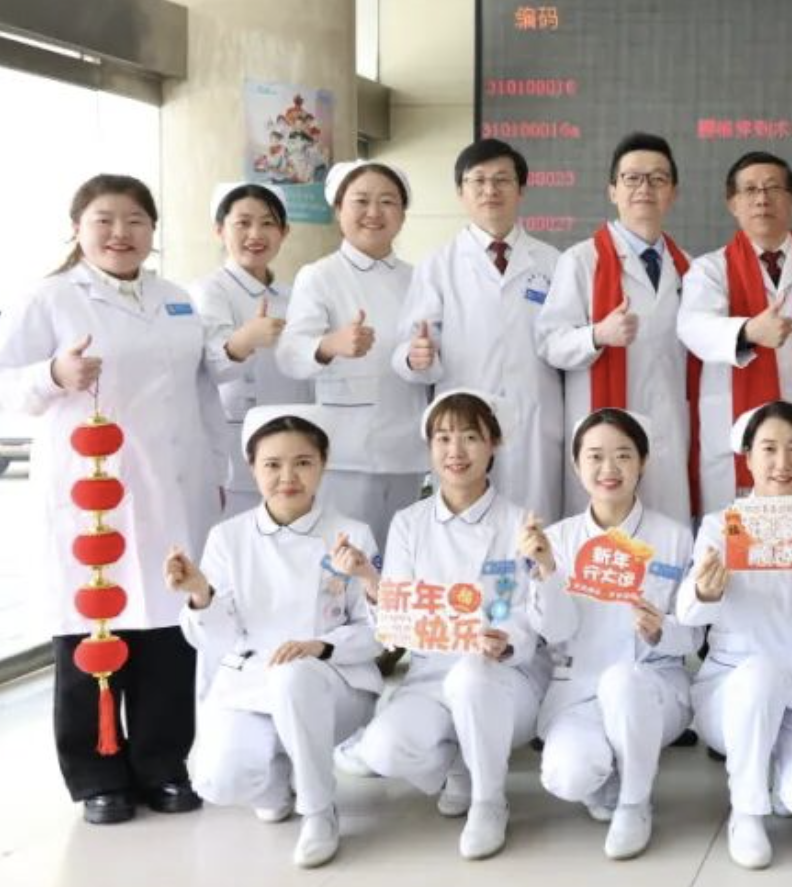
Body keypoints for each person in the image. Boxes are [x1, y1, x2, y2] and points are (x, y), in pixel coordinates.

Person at [0, 174, 223, 824]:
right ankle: (97, 775)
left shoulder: (176, 300)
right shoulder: (49, 299)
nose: (120, 233)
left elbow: (202, 392)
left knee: (169, 631)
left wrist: (218, 468)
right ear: (77, 229)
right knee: (91, 627)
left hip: (174, 491)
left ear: (153, 231)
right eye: (104, 220)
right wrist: (53, 374)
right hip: (92, 500)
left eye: (135, 220)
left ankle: (164, 764)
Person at [165, 407, 381, 868]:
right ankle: (277, 781)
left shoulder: (352, 535)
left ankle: (319, 811)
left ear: (323, 463)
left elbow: (377, 631)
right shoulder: (228, 538)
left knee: (294, 676)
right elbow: (215, 640)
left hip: (334, 684)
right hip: (250, 684)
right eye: (273, 464)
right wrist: (201, 594)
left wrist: (320, 647)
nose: (288, 477)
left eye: (303, 462)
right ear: (252, 467)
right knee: (217, 781)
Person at [340, 390, 547, 860]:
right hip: (430, 675)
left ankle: (489, 802)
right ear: (430, 447)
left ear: (493, 443)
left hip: (502, 676)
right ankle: (459, 766)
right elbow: (396, 618)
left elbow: (529, 611)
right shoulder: (409, 523)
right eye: (444, 438)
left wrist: (506, 640)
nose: (456, 451)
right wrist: (370, 581)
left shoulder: (520, 522)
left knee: (472, 675)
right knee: (383, 749)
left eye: (470, 437)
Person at [679, 401, 792, 869]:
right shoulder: (721, 526)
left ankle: (780, 774)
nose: (783, 462)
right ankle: (747, 811)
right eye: (769, 449)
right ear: (748, 458)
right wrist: (705, 590)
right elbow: (685, 612)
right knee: (761, 674)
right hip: (735, 689)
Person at [526, 408, 699, 859]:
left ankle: (634, 802)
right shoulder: (556, 540)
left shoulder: (675, 538)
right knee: (567, 776)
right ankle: (613, 772)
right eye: (595, 456)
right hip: (577, 688)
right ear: (576, 464)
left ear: (643, 462)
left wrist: (661, 630)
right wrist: (546, 571)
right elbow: (553, 630)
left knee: (623, 681)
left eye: (623, 455)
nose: (609, 468)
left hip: (653, 685)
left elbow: (694, 639)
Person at [394, 138, 565, 519]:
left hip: (535, 421)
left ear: (521, 190)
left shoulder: (553, 263)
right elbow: (408, 346)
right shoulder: (438, 265)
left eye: (502, 179)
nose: (491, 190)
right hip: (464, 423)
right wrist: (416, 357)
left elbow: (566, 343)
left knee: (535, 526)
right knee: (466, 526)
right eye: (479, 180)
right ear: (461, 192)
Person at [538, 132, 696, 520]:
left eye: (658, 179)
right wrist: (597, 335)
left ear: (673, 193)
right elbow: (550, 342)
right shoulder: (581, 260)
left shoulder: (689, 267)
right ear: (613, 190)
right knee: (605, 542)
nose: (645, 188)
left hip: (670, 430)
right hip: (603, 435)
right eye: (632, 178)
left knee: (666, 537)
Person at [679, 152, 792, 507]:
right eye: (750, 190)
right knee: (734, 532)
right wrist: (749, 331)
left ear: (791, 199)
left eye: (773, 188)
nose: (762, 199)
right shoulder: (710, 269)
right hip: (734, 426)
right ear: (733, 204)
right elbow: (693, 327)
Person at [277, 160, 426, 549]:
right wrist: (330, 344)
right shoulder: (320, 275)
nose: (374, 212)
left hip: (407, 446)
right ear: (338, 209)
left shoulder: (418, 278)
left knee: (400, 558)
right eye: (361, 200)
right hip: (346, 452)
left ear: (403, 214)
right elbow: (289, 354)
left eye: (387, 201)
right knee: (344, 558)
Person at [194, 183, 311, 516]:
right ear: (220, 230)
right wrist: (245, 339)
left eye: (268, 223)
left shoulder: (293, 294)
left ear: (284, 232)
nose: (255, 234)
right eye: (243, 223)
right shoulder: (209, 291)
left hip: (294, 436)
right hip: (237, 441)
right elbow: (214, 366)